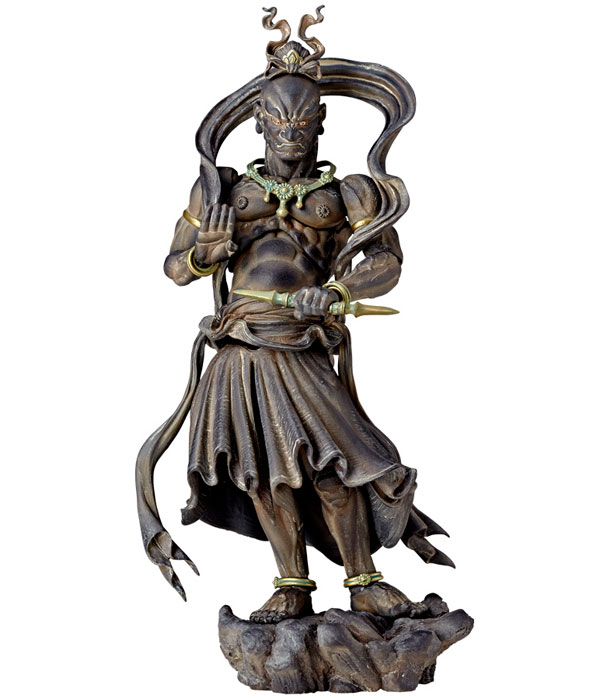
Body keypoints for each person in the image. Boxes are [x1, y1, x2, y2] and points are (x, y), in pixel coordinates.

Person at [136, 8, 453, 624]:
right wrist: (207, 255)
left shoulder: (349, 193)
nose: (289, 132)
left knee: (336, 463)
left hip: (301, 340)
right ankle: (291, 585)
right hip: (240, 344)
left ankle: (363, 581)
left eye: (303, 121)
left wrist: (337, 291)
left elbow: (386, 262)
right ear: (257, 119)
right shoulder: (222, 189)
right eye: (278, 119)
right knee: (262, 472)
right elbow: (174, 268)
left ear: (321, 121)